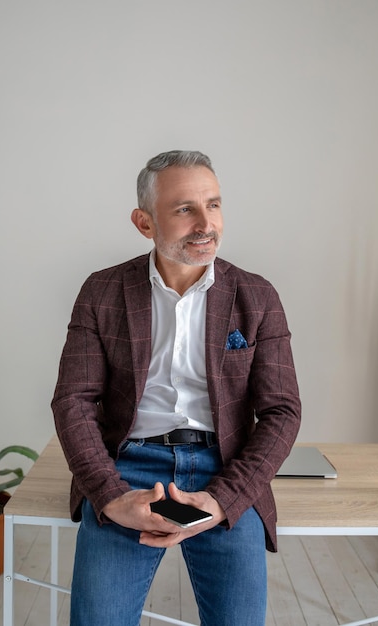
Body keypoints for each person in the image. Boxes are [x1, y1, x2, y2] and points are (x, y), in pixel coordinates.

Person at [51, 150, 301, 626]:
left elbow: (282, 411)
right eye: (185, 208)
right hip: (127, 467)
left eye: (214, 204)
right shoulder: (101, 292)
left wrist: (225, 498)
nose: (206, 223)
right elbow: (73, 402)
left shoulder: (258, 296)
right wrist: (109, 495)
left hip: (225, 466)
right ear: (144, 223)